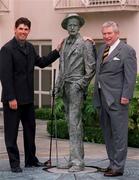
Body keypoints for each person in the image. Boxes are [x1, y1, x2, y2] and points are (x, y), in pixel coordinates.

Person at [0, 17, 61, 173]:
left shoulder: (30, 48)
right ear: (15, 30)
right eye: (20, 28)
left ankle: (31, 161)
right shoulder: (7, 49)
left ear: (29, 31)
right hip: (13, 100)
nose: (23, 32)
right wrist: (11, 98)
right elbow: (5, 76)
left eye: (26, 29)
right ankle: (14, 163)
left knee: (30, 131)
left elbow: (41, 62)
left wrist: (57, 51)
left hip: (27, 99)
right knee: (11, 134)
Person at [93, 21, 137, 177]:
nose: (106, 36)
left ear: (117, 33)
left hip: (118, 99)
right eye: (104, 34)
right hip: (101, 98)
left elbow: (130, 76)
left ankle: (118, 167)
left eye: (109, 33)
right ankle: (112, 164)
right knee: (108, 133)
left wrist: (126, 95)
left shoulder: (127, 50)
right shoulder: (101, 49)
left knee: (119, 135)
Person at [55, 13, 96, 172]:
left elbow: (90, 68)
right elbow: (62, 67)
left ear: (79, 26)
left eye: (75, 24)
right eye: (69, 25)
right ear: (66, 27)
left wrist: (81, 84)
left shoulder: (85, 43)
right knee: (70, 122)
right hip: (65, 86)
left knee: (75, 123)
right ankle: (73, 159)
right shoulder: (64, 43)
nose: (72, 27)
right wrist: (57, 85)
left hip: (76, 87)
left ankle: (78, 162)